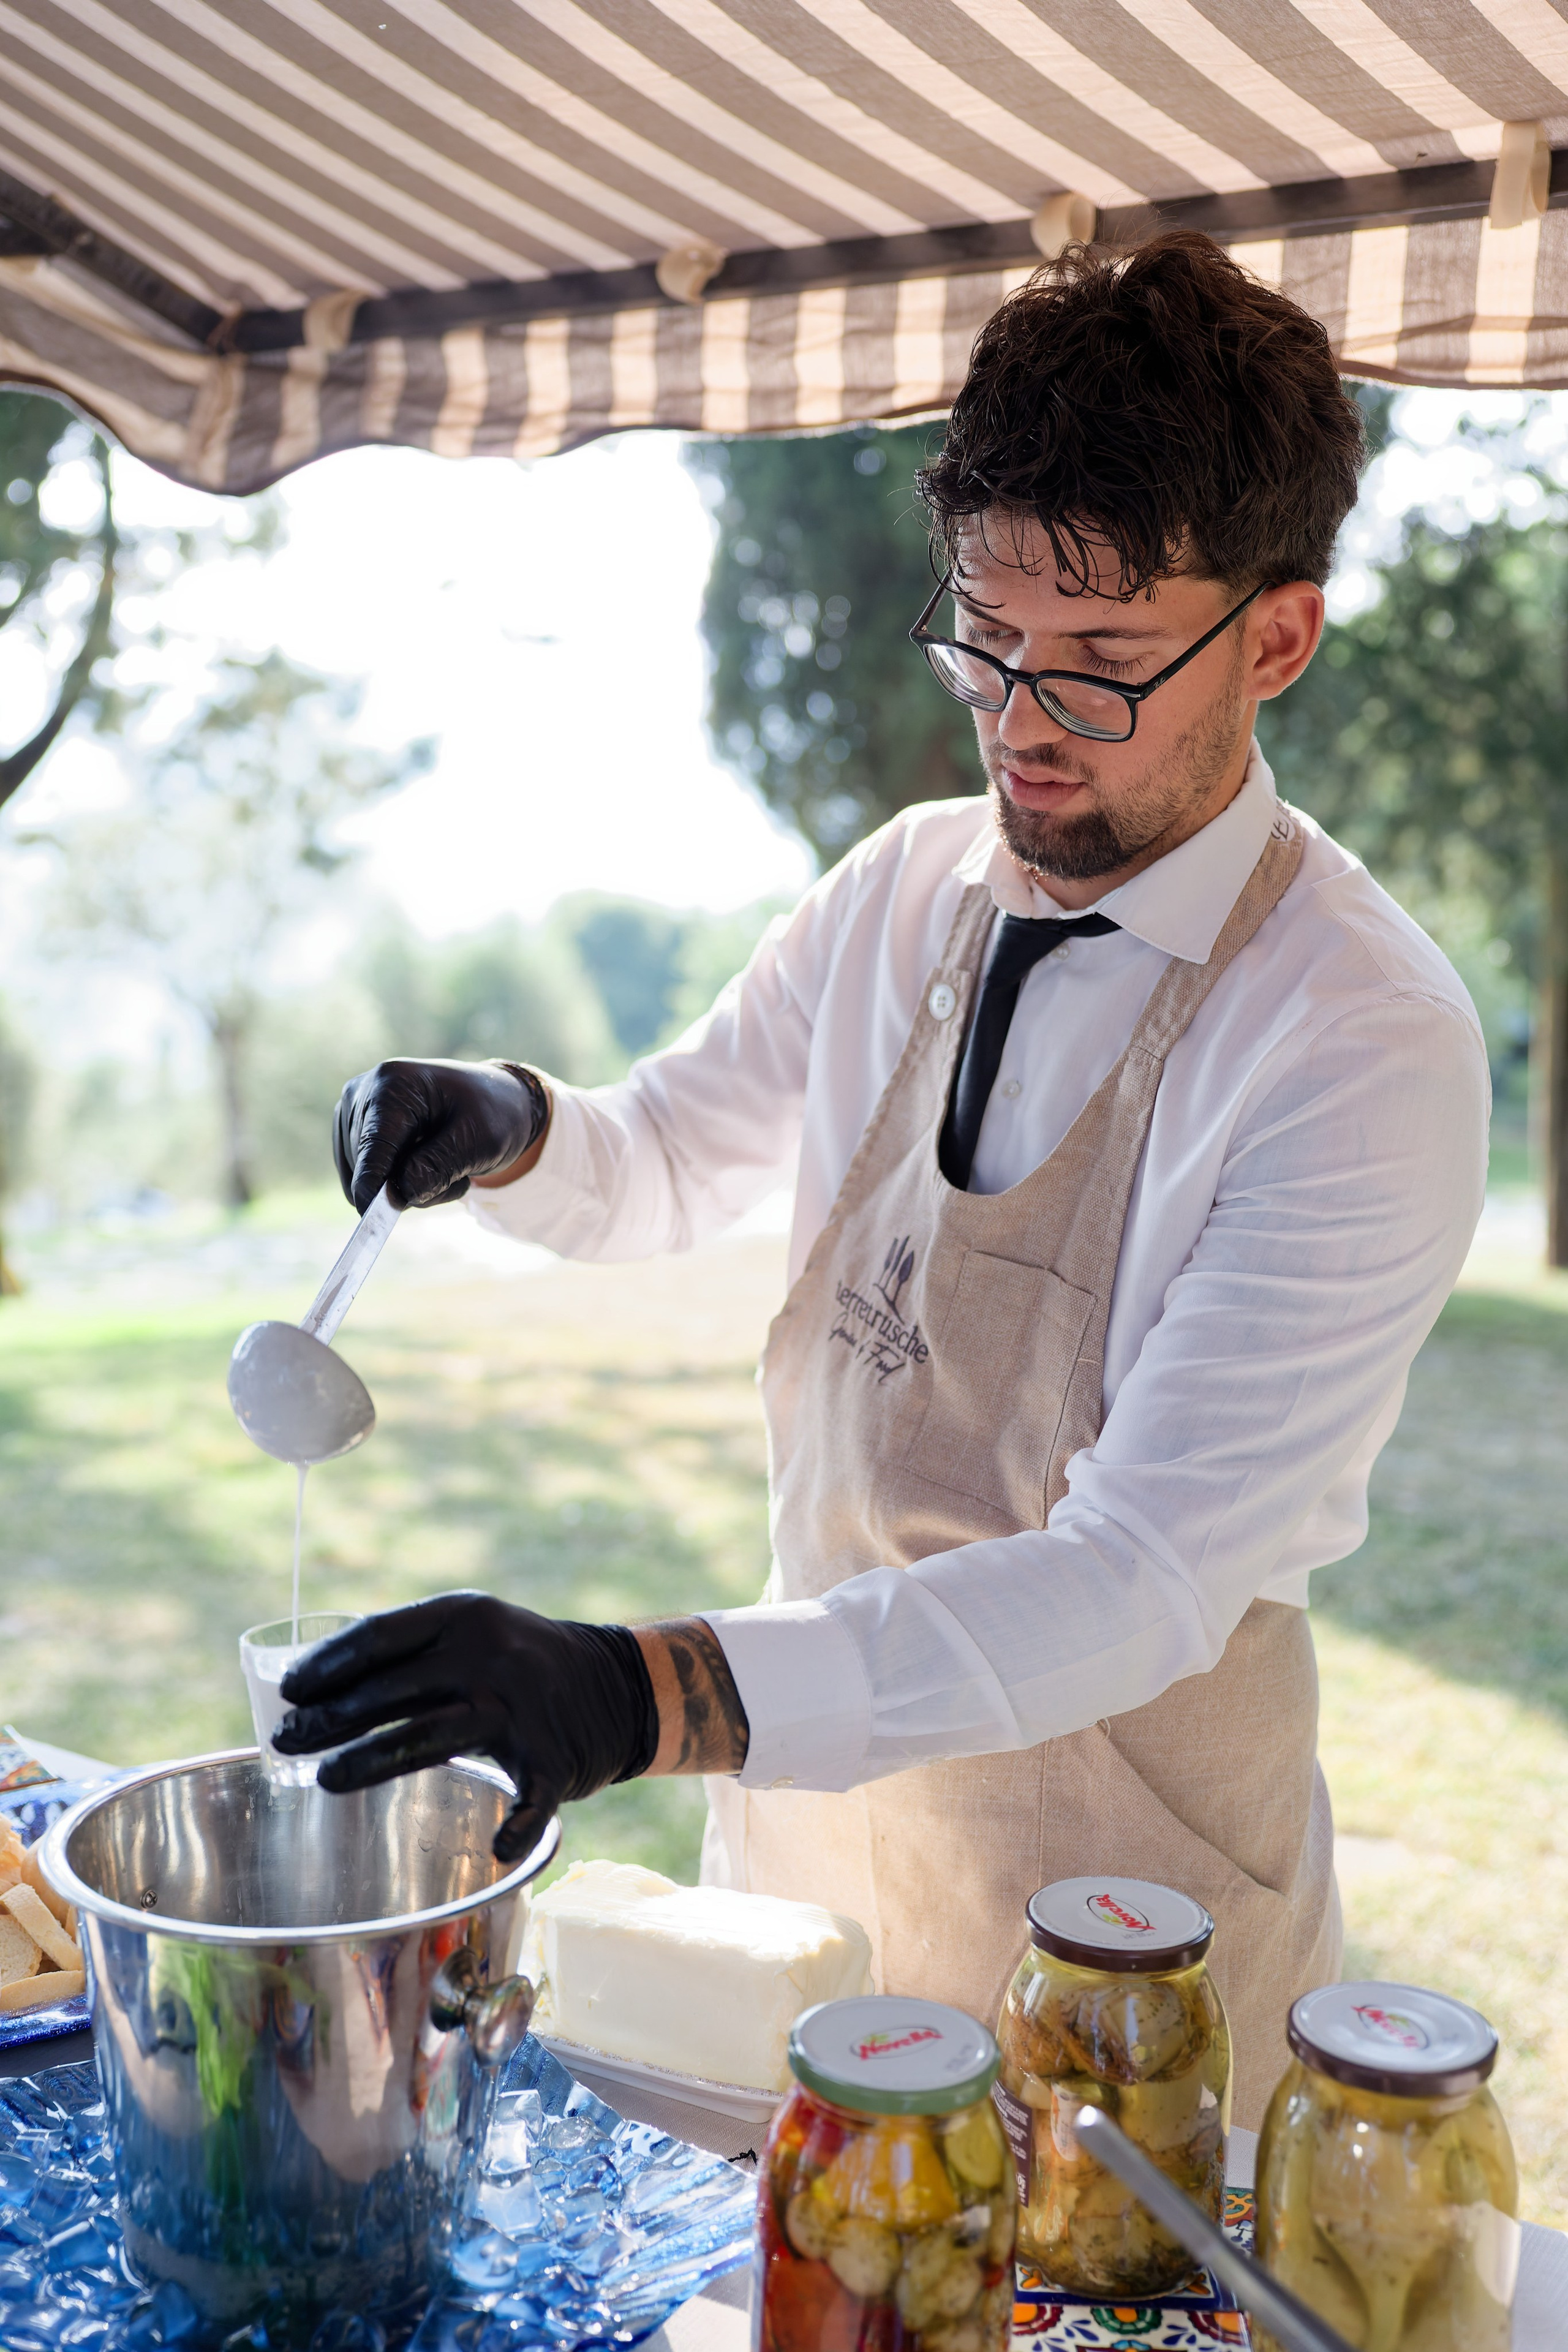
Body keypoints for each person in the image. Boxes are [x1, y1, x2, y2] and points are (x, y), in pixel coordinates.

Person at [277, 230, 1488, 2123]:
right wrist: (510, 1123)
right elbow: (666, 1156)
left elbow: (1135, 1578)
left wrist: (640, 1694)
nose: (1022, 723)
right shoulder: (902, 890)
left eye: (1102, 669)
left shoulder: (1359, 1035)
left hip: (1131, 1977)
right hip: (811, 1897)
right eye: (987, 638)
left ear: (1276, 638)